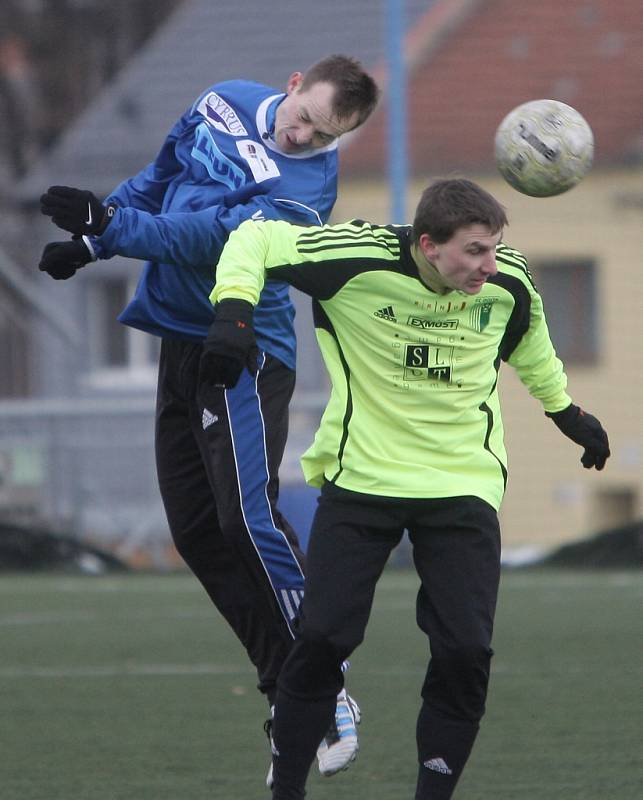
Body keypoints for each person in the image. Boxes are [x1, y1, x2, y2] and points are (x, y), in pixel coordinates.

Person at [198, 177, 611, 800]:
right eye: (474, 251)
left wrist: (568, 415)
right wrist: (234, 312)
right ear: (427, 244)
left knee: (466, 652)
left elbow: (531, 347)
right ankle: (286, 788)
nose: (489, 267)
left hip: (461, 485)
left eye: (494, 250)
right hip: (364, 480)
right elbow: (254, 237)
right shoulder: (353, 260)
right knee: (324, 637)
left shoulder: (507, 283)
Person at [38, 54, 379, 784]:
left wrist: (114, 225)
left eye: (322, 134)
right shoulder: (221, 99)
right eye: (302, 117)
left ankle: (325, 680)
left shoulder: (305, 189)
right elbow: (160, 179)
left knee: (246, 520)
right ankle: (287, 691)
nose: (300, 137)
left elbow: (210, 239)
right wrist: (96, 238)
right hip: (180, 340)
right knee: (196, 530)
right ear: (291, 85)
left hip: (243, 351)